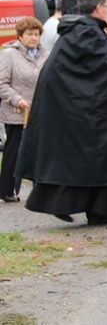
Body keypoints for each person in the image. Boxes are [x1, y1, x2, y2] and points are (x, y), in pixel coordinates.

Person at [16, 0, 107, 225]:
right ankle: (95, 210)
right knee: (89, 158)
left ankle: (102, 210)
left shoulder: (80, 31)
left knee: (84, 159)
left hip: (74, 107)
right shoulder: (86, 33)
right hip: (79, 110)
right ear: (98, 8)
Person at [0, 17, 49, 203]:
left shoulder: (46, 55)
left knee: (39, 149)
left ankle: (41, 187)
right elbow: (1, 83)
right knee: (14, 150)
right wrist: (17, 99)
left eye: (36, 34)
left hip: (40, 112)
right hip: (17, 112)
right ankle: (7, 189)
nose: (33, 38)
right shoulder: (9, 55)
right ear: (20, 36)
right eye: (29, 34)